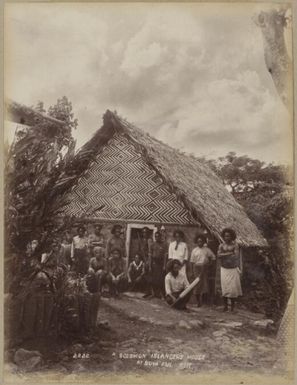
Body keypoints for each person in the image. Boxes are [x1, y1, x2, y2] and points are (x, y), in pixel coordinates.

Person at [217, 228, 242, 312]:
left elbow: (235, 256)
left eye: (228, 236)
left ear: (232, 236)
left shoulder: (235, 245)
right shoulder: (221, 245)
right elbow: (218, 255)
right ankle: (225, 307)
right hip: (224, 269)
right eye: (225, 236)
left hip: (232, 269)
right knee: (224, 288)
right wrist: (229, 253)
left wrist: (224, 254)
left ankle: (232, 307)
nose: (226, 237)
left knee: (232, 289)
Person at [190, 234, 216, 307]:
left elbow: (213, 257)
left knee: (204, 285)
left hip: (204, 268)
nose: (200, 243)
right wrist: (192, 271)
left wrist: (209, 264)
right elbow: (192, 261)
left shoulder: (207, 250)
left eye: (201, 241)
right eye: (198, 242)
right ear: (196, 242)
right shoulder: (194, 250)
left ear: (204, 242)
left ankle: (205, 302)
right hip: (196, 268)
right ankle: (198, 302)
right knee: (197, 285)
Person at [148, 231, 167, 298]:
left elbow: (165, 256)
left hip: (160, 264)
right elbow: (150, 256)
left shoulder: (164, 245)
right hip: (154, 263)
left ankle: (160, 293)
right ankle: (153, 293)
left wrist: (164, 265)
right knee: (153, 279)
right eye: (155, 236)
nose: (157, 238)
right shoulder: (152, 245)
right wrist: (150, 266)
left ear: (160, 237)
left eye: (158, 236)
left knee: (160, 279)